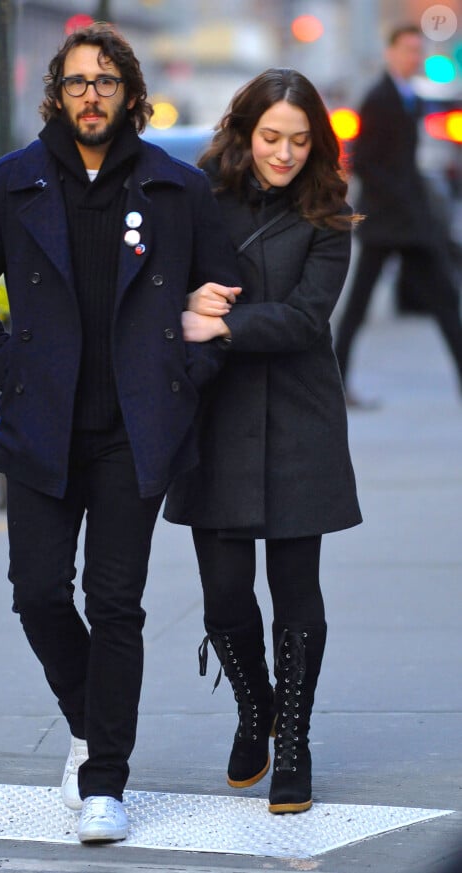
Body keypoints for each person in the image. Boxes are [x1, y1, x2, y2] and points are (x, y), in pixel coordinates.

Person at [0, 22, 240, 843]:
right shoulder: (15, 183)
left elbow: (221, 292)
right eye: (77, 82)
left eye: (106, 80)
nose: (92, 94)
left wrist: (187, 374)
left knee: (115, 605)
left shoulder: (177, 189)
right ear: (57, 94)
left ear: (129, 92)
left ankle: (106, 778)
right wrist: (8, 367)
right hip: (41, 425)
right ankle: (87, 718)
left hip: (132, 433)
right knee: (37, 592)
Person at [164, 67, 362, 814]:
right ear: (245, 130)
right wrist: (184, 298)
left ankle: (297, 742)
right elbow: (159, 281)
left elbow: (308, 319)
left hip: (298, 417)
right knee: (223, 599)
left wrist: (218, 321)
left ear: (318, 145)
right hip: (213, 415)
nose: (284, 153)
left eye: (300, 140)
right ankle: (257, 708)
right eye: (271, 136)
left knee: (295, 594)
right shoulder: (198, 199)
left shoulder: (330, 215)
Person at [334, 24, 462, 408]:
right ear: (390, 53)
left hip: (409, 224)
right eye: (407, 49)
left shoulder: (411, 97)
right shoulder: (379, 98)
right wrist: (407, 202)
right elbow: (368, 163)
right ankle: (337, 385)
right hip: (387, 223)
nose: (413, 57)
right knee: (357, 307)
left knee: (445, 302)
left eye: (417, 51)